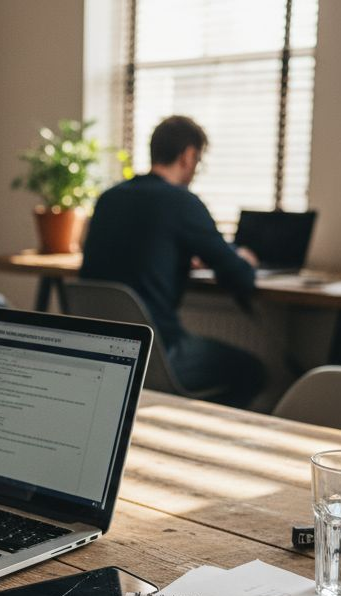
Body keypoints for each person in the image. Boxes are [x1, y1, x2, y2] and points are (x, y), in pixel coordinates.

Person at [80, 115, 265, 407]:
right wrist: (244, 257)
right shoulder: (182, 203)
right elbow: (240, 277)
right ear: (188, 156)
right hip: (159, 352)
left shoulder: (108, 199)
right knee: (252, 371)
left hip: (99, 349)